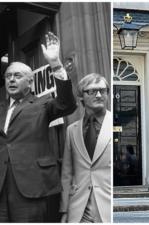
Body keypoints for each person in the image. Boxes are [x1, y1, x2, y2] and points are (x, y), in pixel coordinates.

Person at [0, 32, 77, 222]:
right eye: (8, 76)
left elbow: (67, 104)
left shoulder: (43, 104)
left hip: (31, 187)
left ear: (30, 81)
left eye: (17, 76)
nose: (11, 79)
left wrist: (56, 64)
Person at [60, 73, 111, 223]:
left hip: (108, 207)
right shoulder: (72, 130)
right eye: (92, 91)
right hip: (79, 209)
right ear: (81, 97)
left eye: (103, 90)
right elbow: (67, 173)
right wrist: (64, 210)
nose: (99, 95)